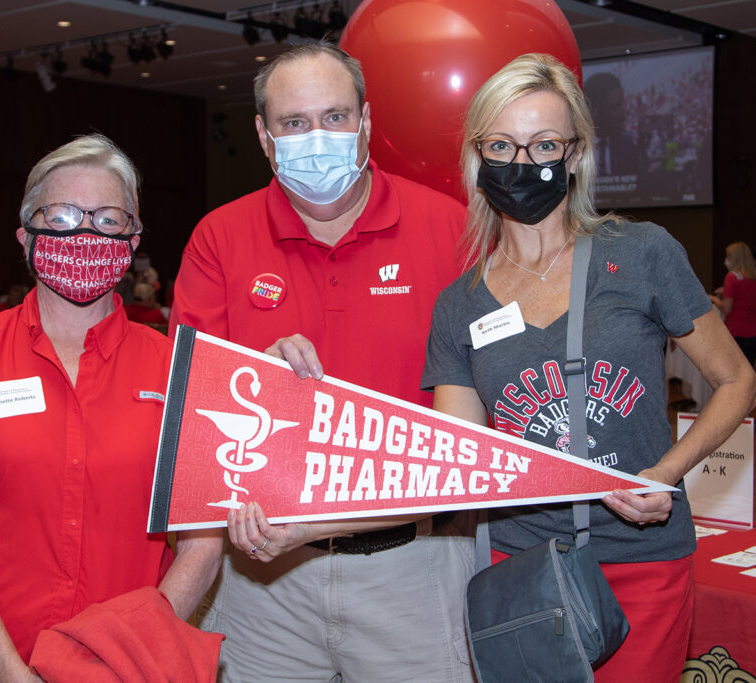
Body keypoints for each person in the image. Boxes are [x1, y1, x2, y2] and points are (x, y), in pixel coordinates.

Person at [422, 54, 756, 682]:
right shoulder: (459, 304)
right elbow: (458, 457)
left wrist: (668, 472)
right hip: (520, 564)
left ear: (575, 154)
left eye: (543, 143)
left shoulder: (641, 254)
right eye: (501, 144)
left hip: (642, 560)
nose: (521, 164)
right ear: (477, 156)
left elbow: (740, 382)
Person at [170, 41, 474, 682]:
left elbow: (485, 413)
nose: (318, 137)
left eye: (335, 117)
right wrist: (253, 376)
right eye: (295, 123)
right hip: (263, 582)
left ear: (366, 121)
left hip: (416, 569)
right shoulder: (219, 240)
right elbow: (189, 412)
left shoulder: (449, 230)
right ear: (263, 135)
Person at [0, 134, 221, 682]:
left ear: (133, 239)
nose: (87, 232)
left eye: (109, 219)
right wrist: (13, 675)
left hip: (130, 670)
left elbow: (202, 548)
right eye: (64, 215)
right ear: (26, 237)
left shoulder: (178, 372)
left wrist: (125, 656)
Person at [709, 241, 756, 424]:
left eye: (728, 256)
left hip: (736, 333)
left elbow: (727, 308)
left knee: (732, 379)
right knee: (752, 375)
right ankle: (748, 415)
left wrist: (712, 298)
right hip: (755, 332)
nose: (726, 260)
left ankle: (736, 418)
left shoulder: (732, 277)